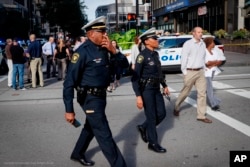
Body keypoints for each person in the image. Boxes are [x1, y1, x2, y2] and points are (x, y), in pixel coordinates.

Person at [63, 16, 127, 167]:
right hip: (89, 98)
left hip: (101, 96)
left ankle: (77, 153)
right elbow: (68, 83)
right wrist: (69, 110)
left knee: (91, 127)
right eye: (102, 31)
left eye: (105, 30)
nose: (105, 34)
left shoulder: (106, 48)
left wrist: (114, 51)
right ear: (91, 34)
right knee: (104, 133)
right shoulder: (82, 53)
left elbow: (124, 66)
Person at [131, 27, 170, 153]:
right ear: (147, 41)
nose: (157, 40)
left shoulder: (155, 54)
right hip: (146, 89)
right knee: (152, 116)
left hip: (156, 88)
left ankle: (143, 127)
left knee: (162, 113)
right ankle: (153, 143)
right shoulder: (142, 57)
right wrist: (138, 96)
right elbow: (135, 78)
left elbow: (159, 72)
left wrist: (164, 85)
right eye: (154, 38)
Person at [173, 27, 212, 123]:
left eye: (201, 32)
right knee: (185, 93)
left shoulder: (203, 44)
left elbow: (203, 57)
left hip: (200, 72)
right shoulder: (188, 44)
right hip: (190, 72)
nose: (200, 34)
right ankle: (176, 106)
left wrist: (204, 68)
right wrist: (185, 72)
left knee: (202, 94)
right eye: (198, 32)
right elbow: (184, 59)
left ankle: (201, 115)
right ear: (193, 33)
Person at [203, 37, 222, 111]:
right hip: (206, 72)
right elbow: (207, 63)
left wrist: (212, 63)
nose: (214, 44)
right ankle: (214, 104)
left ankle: (204, 101)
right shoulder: (204, 52)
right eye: (213, 42)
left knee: (206, 89)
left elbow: (220, 61)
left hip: (213, 71)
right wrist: (214, 62)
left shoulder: (215, 51)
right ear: (209, 44)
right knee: (209, 88)